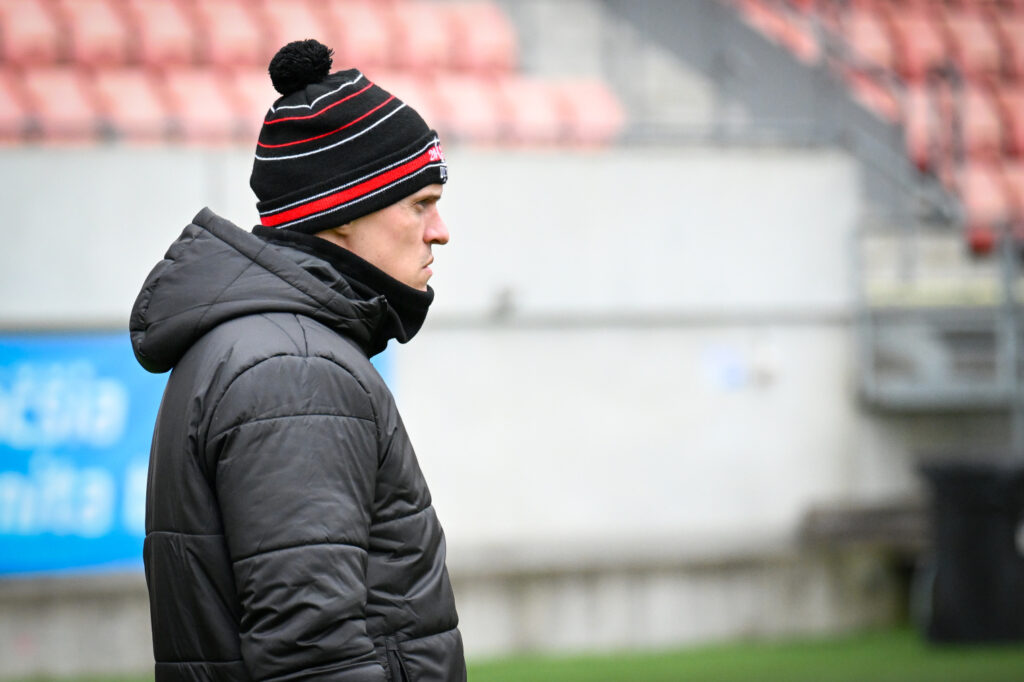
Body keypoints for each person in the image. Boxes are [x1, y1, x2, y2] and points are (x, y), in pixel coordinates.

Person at [129, 40, 465, 682]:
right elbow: (312, 654)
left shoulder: (269, 345)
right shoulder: (296, 367)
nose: (440, 230)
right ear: (343, 213)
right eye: (420, 204)